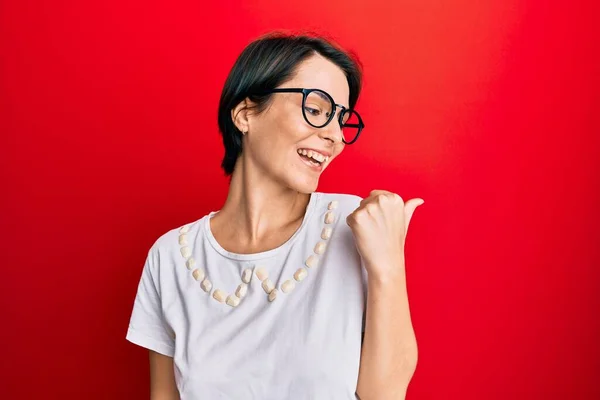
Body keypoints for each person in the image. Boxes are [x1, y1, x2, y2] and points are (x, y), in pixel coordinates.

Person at [126, 32, 423, 400]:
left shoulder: (356, 224)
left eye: (342, 120)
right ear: (246, 113)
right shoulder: (170, 257)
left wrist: (388, 266)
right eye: (316, 110)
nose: (335, 136)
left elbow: (386, 395)